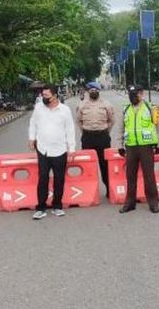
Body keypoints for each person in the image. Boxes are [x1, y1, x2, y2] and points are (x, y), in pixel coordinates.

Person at [28, 85, 76, 220]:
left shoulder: (64, 110)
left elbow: (70, 129)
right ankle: (41, 207)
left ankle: (57, 206)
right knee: (43, 177)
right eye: (43, 95)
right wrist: (32, 138)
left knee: (59, 179)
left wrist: (71, 148)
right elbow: (33, 123)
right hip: (43, 149)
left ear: (55, 96)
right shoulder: (39, 108)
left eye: (46, 96)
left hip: (60, 150)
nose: (44, 98)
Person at [116, 85, 159, 214]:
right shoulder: (126, 109)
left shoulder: (150, 108)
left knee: (149, 176)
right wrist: (120, 145)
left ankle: (153, 203)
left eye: (135, 94)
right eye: (130, 95)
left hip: (146, 146)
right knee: (130, 176)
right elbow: (121, 128)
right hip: (131, 147)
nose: (132, 97)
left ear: (141, 94)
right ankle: (130, 203)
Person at [76, 81, 115, 197]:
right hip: (88, 138)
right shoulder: (82, 105)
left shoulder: (107, 104)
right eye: (91, 90)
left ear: (99, 91)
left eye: (95, 90)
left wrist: (105, 131)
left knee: (105, 165)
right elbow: (78, 121)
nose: (93, 92)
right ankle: (90, 192)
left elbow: (111, 120)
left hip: (103, 137)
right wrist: (85, 132)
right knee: (88, 167)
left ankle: (109, 190)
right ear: (88, 91)